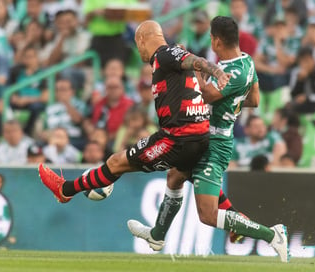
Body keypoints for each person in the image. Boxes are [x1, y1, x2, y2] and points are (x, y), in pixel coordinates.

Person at [127, 17, 289, 263]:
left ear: (215, 40)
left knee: (208, 214)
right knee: (175, 175)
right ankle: (157, 235)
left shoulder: (230, 72)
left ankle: (271, 234)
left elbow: (206, 96)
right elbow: (254, 100)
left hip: (215, 143)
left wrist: (191, 68)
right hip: (208, 136)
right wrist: (232, 102)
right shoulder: (247, 62)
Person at [38, 19, 229, 213]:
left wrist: (217, 72)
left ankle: (65, 190)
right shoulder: (168, 59)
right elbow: (191, 62)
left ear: (142, 39)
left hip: (177, 137)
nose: (139, 52)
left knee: (116, 162)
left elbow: (196, 60)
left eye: (138, 46)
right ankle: (234, 219)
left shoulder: (165, 54)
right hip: (199, 134)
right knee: (195, 177)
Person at [289, 47, 315, 114]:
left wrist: (308, 98)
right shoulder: (296, 72)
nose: (304, 64)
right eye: (301, 61)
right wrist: (300, 81)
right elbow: (293, 95)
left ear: (313, 60)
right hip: (301, 103)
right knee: (290, 106)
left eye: (307, 61)